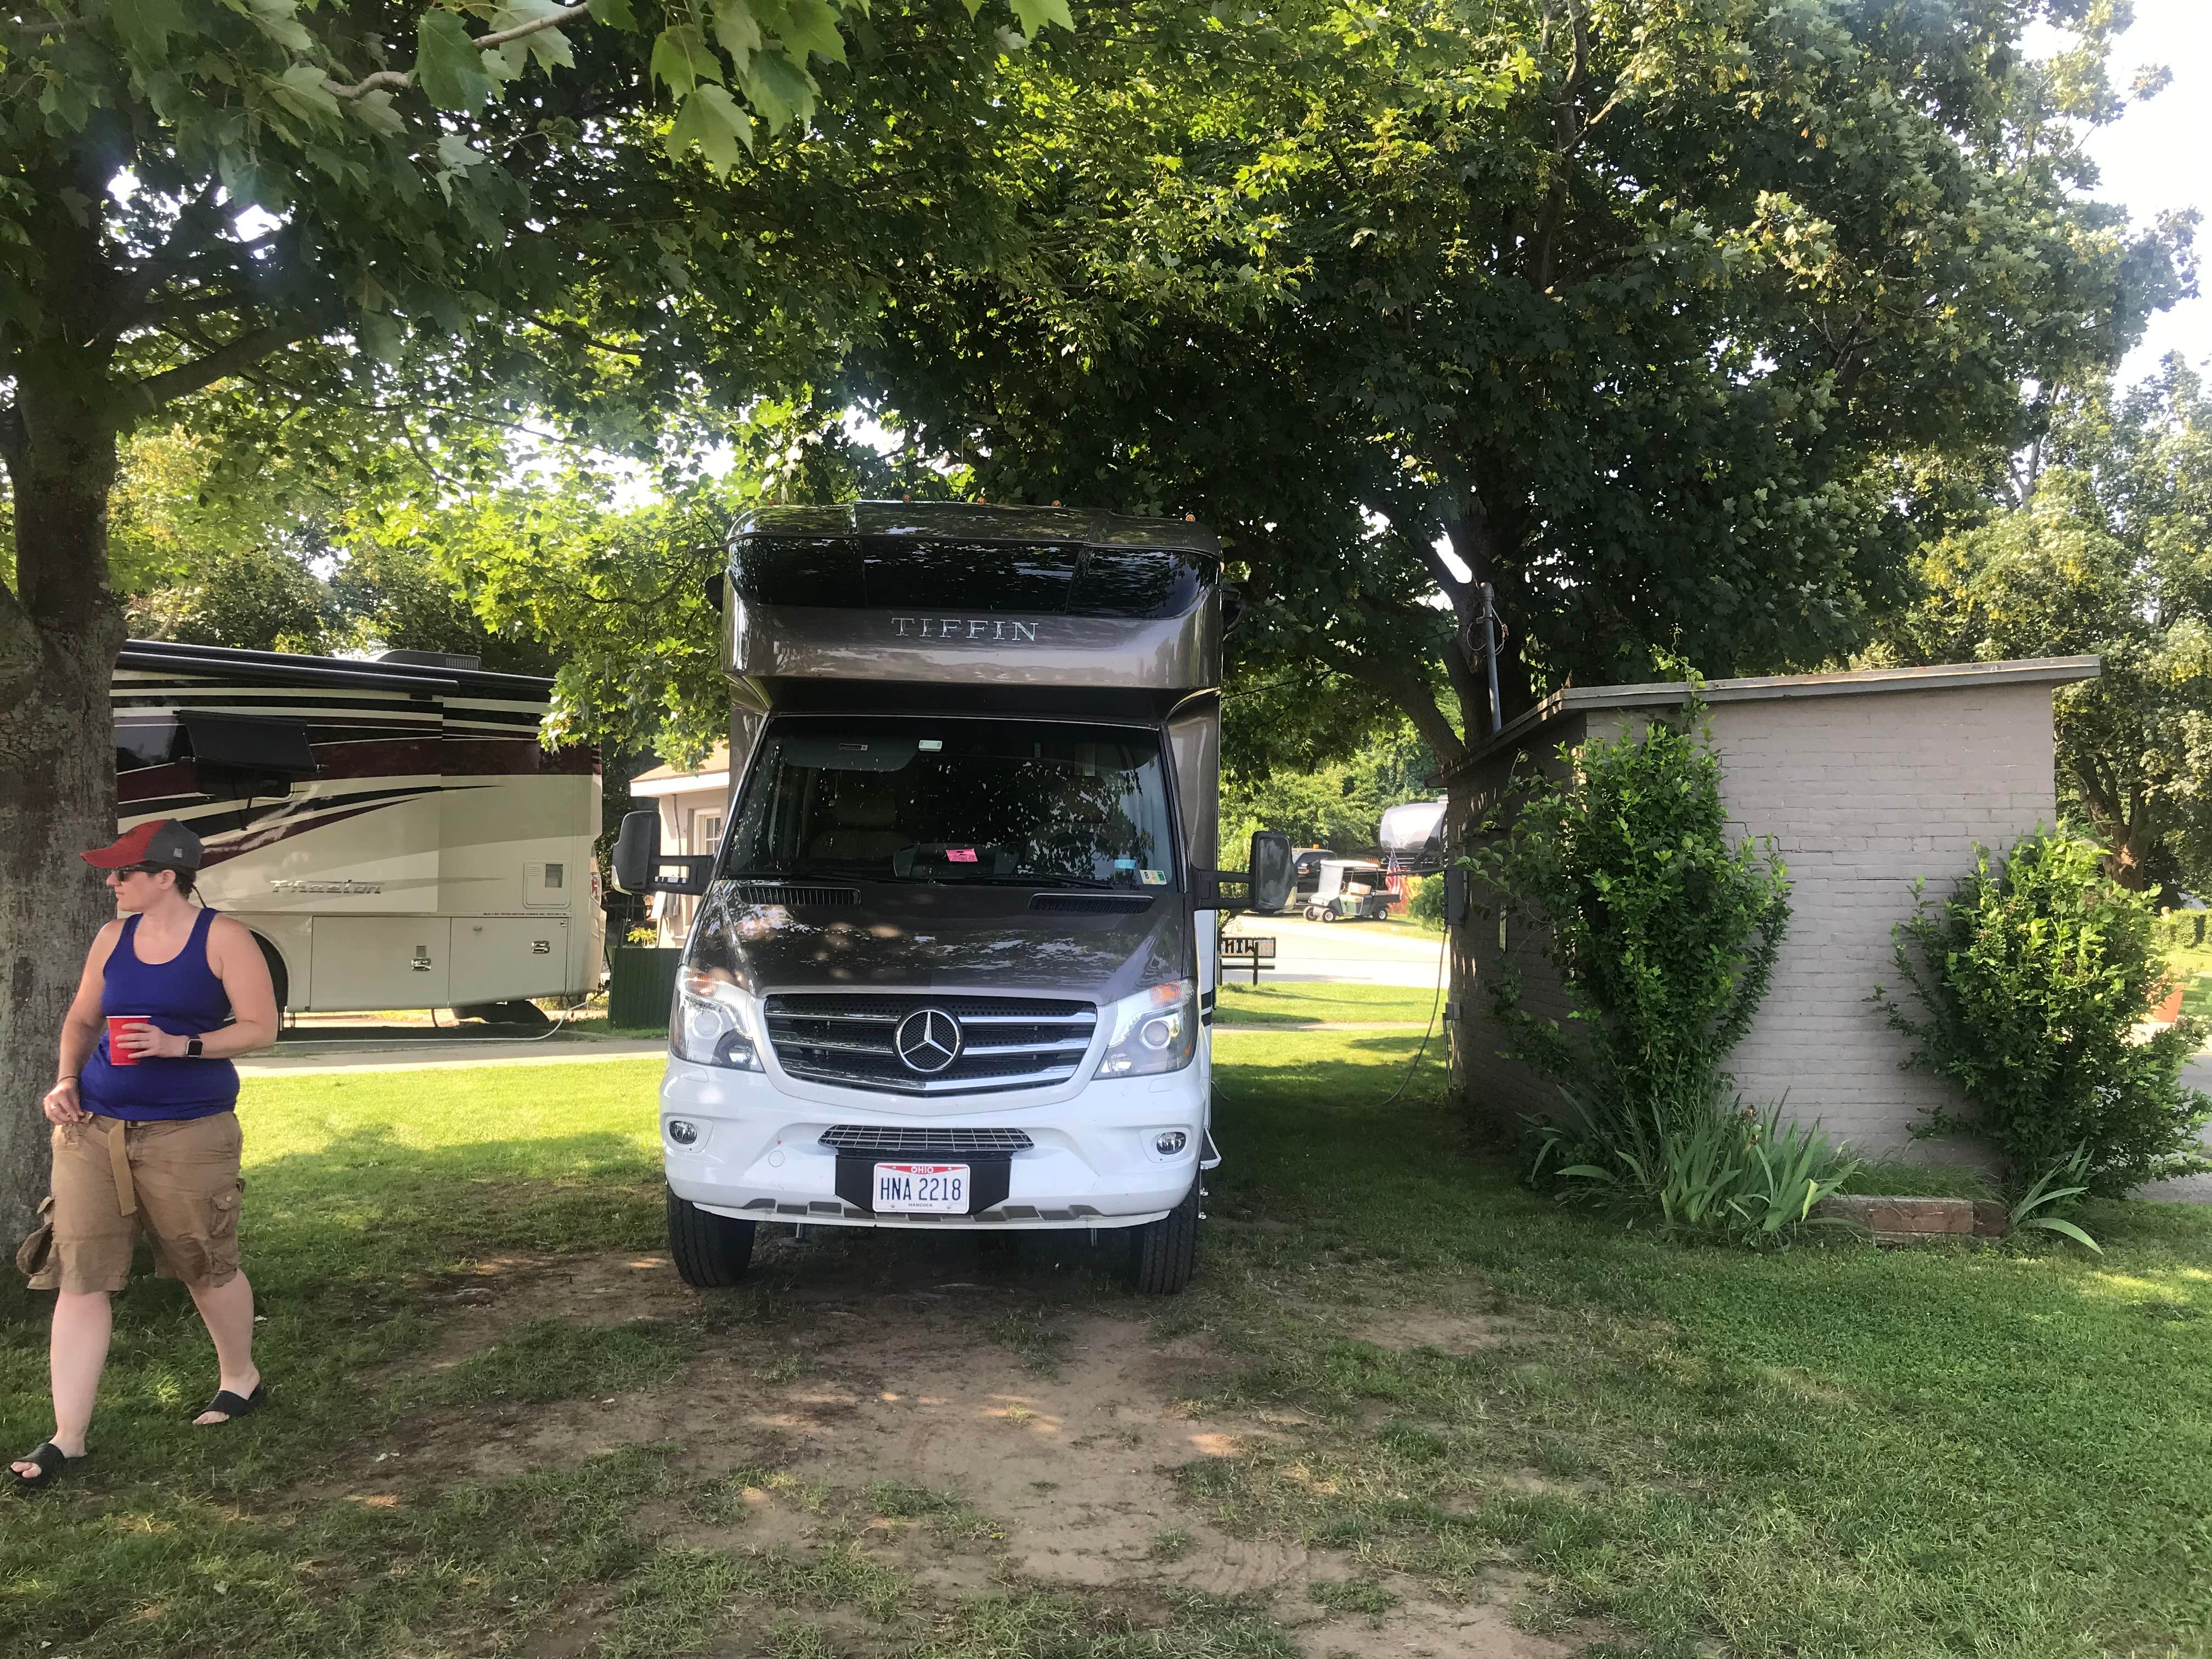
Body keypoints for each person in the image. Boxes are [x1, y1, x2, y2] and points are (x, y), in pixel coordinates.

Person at [11, 819, 279, 1490]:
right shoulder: (112, 937)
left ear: (167, 877)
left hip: (189, 1130)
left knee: (203, 1262)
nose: (111, 882)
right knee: (80, 1271)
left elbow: (261, 1028)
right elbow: (81, 1018)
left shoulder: (224, 938)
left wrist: (179, 1045)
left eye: (124, 872)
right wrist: (66, 1080)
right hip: (94, 1127)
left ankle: (240, 1379)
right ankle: (67, 1437)